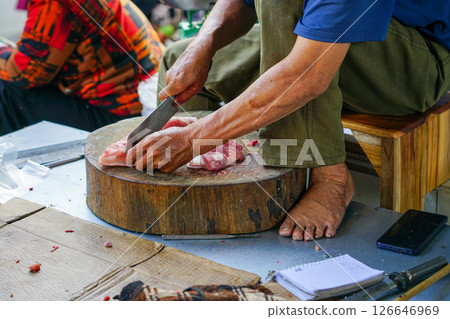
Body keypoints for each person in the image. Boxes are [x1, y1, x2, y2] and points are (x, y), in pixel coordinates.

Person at [128, 0, 450, 241]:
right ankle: (207, 182)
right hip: (336, 33)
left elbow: (307, 75)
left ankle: (330, 177)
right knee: (179, 57)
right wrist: (204, 44)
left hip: (419, 65)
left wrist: (194, 139)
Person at [0, 0, 164, 135]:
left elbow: (23, 75)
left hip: (125, 116)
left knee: (6, 90)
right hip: (150, 96)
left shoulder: (55, 3)